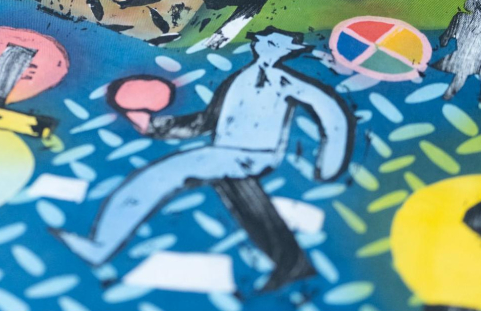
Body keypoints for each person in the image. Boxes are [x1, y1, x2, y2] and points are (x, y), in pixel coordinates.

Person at [54, 29, 355, 290]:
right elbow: (207, 121)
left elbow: (330, 110)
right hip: (227, 153)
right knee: (251, 208)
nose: (267, 47)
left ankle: (100, 247)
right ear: (258, 43)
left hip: (247, 155)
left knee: (155, 178)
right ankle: (293, 265)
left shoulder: (284, 80)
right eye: (266, 41)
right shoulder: (238, 79)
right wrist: (156, 127)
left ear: (288, 51)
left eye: (278, 45)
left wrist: (330, 162)